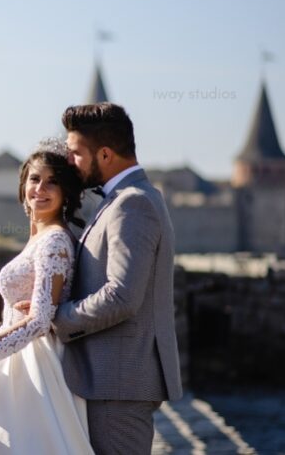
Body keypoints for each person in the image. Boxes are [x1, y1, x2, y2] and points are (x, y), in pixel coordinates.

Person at [50, 102, 183, 455]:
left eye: (76, 153)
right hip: (113, 379)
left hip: (119, 381)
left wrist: (56, 318)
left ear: (106, 154)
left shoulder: (132, 204)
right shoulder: (122, 200)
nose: (70, 161)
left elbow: (123, 296)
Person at [0, 138, 94, 454]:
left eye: (52, 182)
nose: (40, 189)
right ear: (23, 186)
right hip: (15, 360)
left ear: (66, 194)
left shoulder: (54, 241)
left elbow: (42, 320)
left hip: (35, 365)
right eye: (35, 179)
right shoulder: (39, 238)